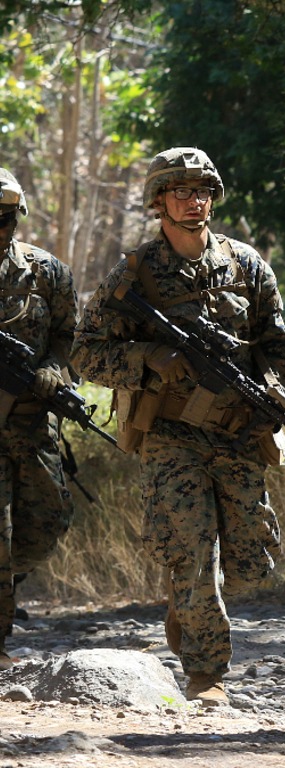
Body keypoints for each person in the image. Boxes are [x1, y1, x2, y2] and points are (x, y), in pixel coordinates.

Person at [71, 147, 285, 706]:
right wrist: (147, 357)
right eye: (180, 191)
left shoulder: (246, 266)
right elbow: (84, 354)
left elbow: (278, 346)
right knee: (194, 552)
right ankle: (207, 673)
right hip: (171, 435)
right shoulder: (135, 274)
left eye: (202, 191)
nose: (194, 200)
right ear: (158, 201)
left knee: (248, 560)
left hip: (238, 429)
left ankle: (185, 602)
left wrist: (276, 392)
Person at [0, 167, 79, 671]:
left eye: (5, 218)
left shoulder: (45, 271)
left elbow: (70, 334)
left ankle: (7, 583)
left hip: (30, 423)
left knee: (46, 524)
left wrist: (53, 366)